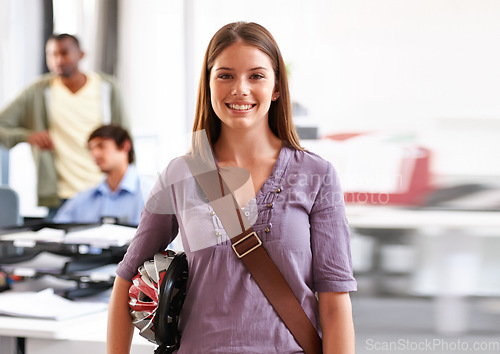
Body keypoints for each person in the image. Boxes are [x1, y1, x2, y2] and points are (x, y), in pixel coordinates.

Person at [107, 22, 356, 353]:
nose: (240, 88)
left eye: (256, 76)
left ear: (277, 88)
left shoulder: (317, 175)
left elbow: (335, 304)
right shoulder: (180, 174)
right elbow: (126, 280)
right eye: (225, 75)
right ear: (208, 85)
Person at [0, 33, 128, 215]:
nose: (57, 60)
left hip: (103, 192)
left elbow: (125, 138)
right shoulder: (38, 91)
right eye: (51, 54)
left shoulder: (107, 88)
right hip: (60, 198)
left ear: (81, 55)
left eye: (64, 53)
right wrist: (27, 136)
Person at [53, 125, 149, 226]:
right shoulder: (82, 199)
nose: (94, 154)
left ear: (125, 146)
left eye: (101, 146)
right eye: (91, 149)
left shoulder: (150, 196)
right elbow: (55, 232)